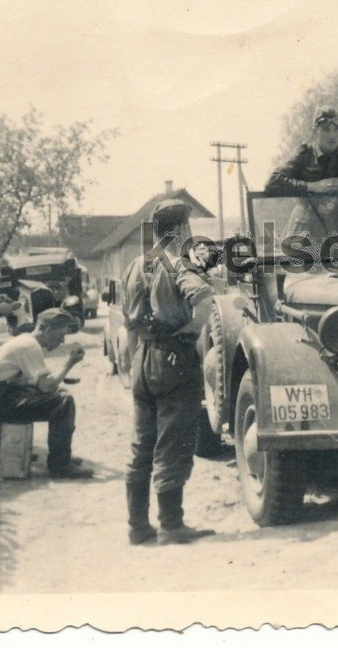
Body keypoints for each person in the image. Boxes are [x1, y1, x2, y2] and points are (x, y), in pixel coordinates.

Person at [125, 200, 219, 546]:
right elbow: (203, 302)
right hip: (174, 361)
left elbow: (127, 319)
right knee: (174, 441)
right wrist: (190, 332)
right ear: (180, 230)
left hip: (142, 359)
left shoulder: (136, 265)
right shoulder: (179, 264)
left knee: (142, 445)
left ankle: (137, 526)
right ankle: (171, 524)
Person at [0, 307, 93, 478]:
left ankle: (62, 454)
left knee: (59, 394)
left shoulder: (25, 341)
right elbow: (46, 387)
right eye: (60, 335)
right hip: (1, 402)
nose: (61, 341)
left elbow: (42, 384)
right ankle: (60, 465)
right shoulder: (30, 346)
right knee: (64, 401)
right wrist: (69, 364)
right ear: (47, 330)